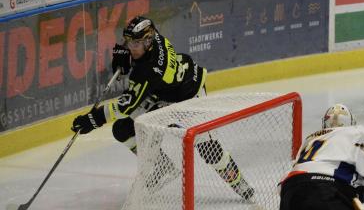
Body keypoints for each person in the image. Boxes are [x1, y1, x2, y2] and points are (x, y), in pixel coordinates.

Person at [71, 16, 254, 199]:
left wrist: (94, 119)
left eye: (135, 44)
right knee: (123, 129)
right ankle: (162, 167)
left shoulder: (150, 71)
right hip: (162, 94)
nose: (131, 47)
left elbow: (126, 106)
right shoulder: (152, 37)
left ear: (148, 41)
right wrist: (127, 58)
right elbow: (140, 48)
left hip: (189, 95)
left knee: (207, 148)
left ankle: (239, 183)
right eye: (129, 42)